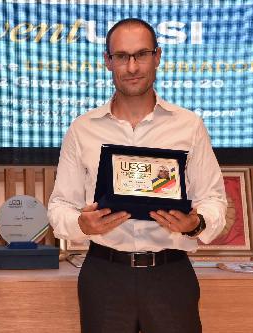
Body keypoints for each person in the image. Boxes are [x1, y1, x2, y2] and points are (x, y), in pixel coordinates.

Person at [48, 18, 227, 333]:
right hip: (104, 276)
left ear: (157, 56)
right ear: (108, 61)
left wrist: (195, 224)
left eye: (141, 54)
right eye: (121, 56)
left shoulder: (188, 125)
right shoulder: (82, 128)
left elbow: (213, 199)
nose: (132, 66)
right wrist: (80, 223)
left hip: (171, 276)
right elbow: (60, 204)